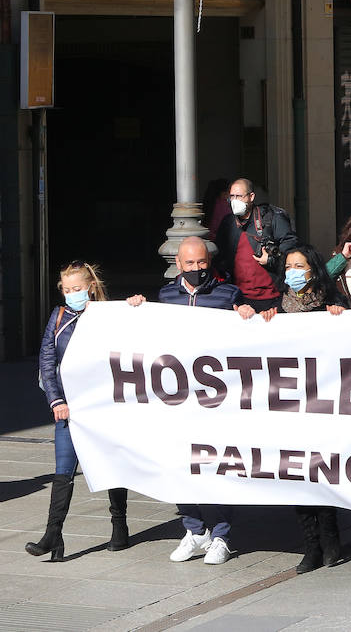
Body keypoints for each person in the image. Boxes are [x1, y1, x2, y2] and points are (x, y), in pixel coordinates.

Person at [128, 236, 255, 565]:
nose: (196, 269)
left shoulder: (228, 295)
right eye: (189, 264)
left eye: (201, 263)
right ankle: (194, 528)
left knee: (216, 467)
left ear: (209, 263)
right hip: (179, 400)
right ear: (178, 265)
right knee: (178, 464)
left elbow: (250, 340)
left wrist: (245, 314)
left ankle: (221, 535)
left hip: (217, 401)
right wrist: (136, 310)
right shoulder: (167, 296)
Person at [26, 262, 127, 562]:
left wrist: (136, 306)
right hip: (69, 408)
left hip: (103, 406)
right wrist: (56, 401)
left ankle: (119, 526)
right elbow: (47, 361)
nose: (72, 294)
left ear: (91, 287)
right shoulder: (58, 317)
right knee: (63, 472)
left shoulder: (109, 315)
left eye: (77, 289)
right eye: (67, 290)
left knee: (111, 466)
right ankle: (53, 535)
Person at [267, 245, 349, 573]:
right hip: (289, 404)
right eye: (289, 266)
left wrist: (341, 321)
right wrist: (257, 320)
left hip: (324, 402)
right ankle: (311, 545)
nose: (294, 271)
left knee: (322, 470)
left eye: (300, 265)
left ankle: (331, 538)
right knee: (297, 474)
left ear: (313, 269)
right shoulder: (277, 305)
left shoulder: (333, 303)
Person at [213, 178, 298, 313]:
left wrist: (271, 259)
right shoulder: (228, 223)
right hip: (240, 299)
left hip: (273, 298)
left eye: (239, 196)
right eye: (232, 196)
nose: (235, 200)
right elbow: (220, 257)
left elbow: (292, 248)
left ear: (251, 197)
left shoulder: (272, 218)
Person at [200, 178, 231, 243]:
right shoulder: (223, 205)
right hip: (219, 241)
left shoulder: (210, 203)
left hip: (208, 239)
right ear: (224, 193)